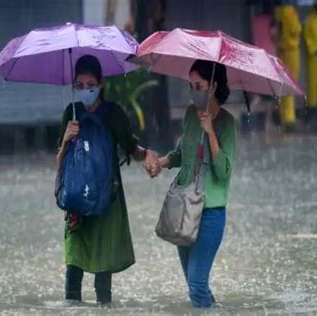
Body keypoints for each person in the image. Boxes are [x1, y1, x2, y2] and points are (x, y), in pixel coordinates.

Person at [56, 55, 156, 304]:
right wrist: (66, 139)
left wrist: (150, 158)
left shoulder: (115, 115)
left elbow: (131, 148)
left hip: (106, 200)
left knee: (103, 278)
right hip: (76, 201)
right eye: (79, 84)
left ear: (100, 84)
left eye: (90, 84)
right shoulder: (71, 113)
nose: (85, 89)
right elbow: (59, 164)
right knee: (73, 273)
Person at [144, 60, 237, 308]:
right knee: (195, 285)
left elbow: (223, 172)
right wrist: (159, 164)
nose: (194, 91)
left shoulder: (227, 123)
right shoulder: (189, 114)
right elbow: (180, 154)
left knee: (197, 284)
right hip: (184, 209)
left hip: (210, 212)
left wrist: (211, 132)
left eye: (199, 85)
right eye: (191, 85)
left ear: (213, 86)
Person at [275, 0, 302, 131]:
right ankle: (289, 117)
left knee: (282, 83)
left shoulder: (278, 12)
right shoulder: (289, 11)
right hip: (290, 50)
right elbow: (296, 28)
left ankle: (283, 114)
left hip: (281, 50)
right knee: (291, 82)